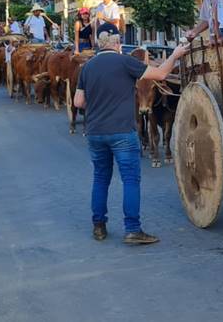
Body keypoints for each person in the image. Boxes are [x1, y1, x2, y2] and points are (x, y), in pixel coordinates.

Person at [73, 26, 189, 244]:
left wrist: (98, 103)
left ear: (99, 43)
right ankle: (133, 230)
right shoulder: (125, 62)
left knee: (100, 178)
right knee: (130, 180)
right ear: (117, 43)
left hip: (96, 133)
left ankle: (99, 226)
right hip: (122, 133)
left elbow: (78, 102)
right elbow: (162, 74)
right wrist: (175, 55)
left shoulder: (87, 67)